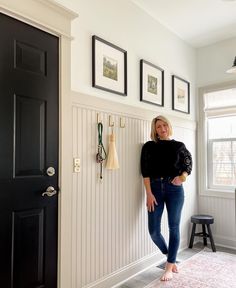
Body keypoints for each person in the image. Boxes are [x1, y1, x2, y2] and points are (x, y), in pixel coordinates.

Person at [140, 115, 192, 281]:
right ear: (154, 130)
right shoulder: (149, 147)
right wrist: (148, 193)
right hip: (154, 189)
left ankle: (169, 267)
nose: (162, 129)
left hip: (174, 190)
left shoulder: (178, 146)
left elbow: (187, 165)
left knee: (173, 227)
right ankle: (170, 256)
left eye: (164, 125)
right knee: (154, 231)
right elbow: (145, 172)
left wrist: (181, 178)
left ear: (169, 127)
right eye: (158, 127)